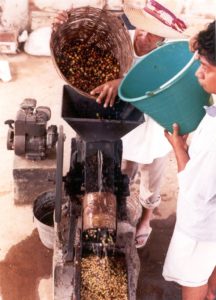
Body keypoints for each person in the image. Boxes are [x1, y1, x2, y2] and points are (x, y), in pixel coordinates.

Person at [53, 11, 172, 249]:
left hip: (155, 128)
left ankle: (146, 221)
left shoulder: (168, 56)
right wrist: (59, 29)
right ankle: (112, 210)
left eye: (152, 35)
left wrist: (125, 83)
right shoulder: (120, 40)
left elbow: (164, 85)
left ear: (163, 39)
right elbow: (82, 43)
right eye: (142, 27)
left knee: (152, 180)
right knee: (124, 172)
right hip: (124, 126)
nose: (143, 35)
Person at [162, 20, 216, 300]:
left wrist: (179, 149)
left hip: (204, 226)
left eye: (205, 68)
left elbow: (197, 193)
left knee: (194, 275)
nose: (198, 73)